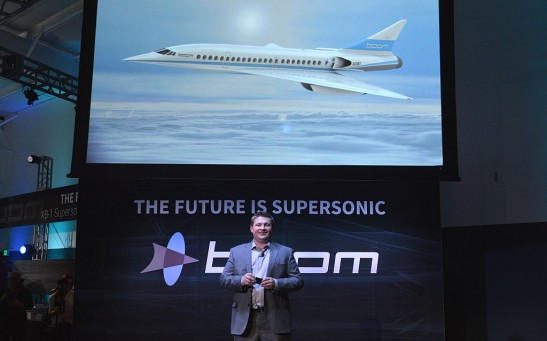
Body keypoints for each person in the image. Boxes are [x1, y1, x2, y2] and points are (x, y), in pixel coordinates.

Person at [220, 211, 303, 341]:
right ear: (251, 228)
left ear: (271, 229)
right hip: (245, 320)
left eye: (266, 225)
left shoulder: (285, 252)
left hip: (275, 318)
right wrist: (241, 280)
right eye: (258, 225)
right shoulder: (236, 251)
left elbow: (297, 281)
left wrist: (276, 283)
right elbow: (224, 280)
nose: (262, 228)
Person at [0, 272, 33, 341]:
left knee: (19, 337)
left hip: (19, 322)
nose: (12, 281)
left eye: (15, 279)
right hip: (6, 323)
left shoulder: (25, 292)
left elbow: (29, 305)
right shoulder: (6, 292)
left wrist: (17, 303)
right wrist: (4, 297)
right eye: (11, 279)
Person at [47, 274, 74, 341]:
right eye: (68, 283)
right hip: (56, 326)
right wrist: (55, 310)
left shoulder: (73, 296)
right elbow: (49, 314)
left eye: (71, 284)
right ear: (63, 284)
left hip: (69, 326)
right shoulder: (54, 297)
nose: (69, 286)